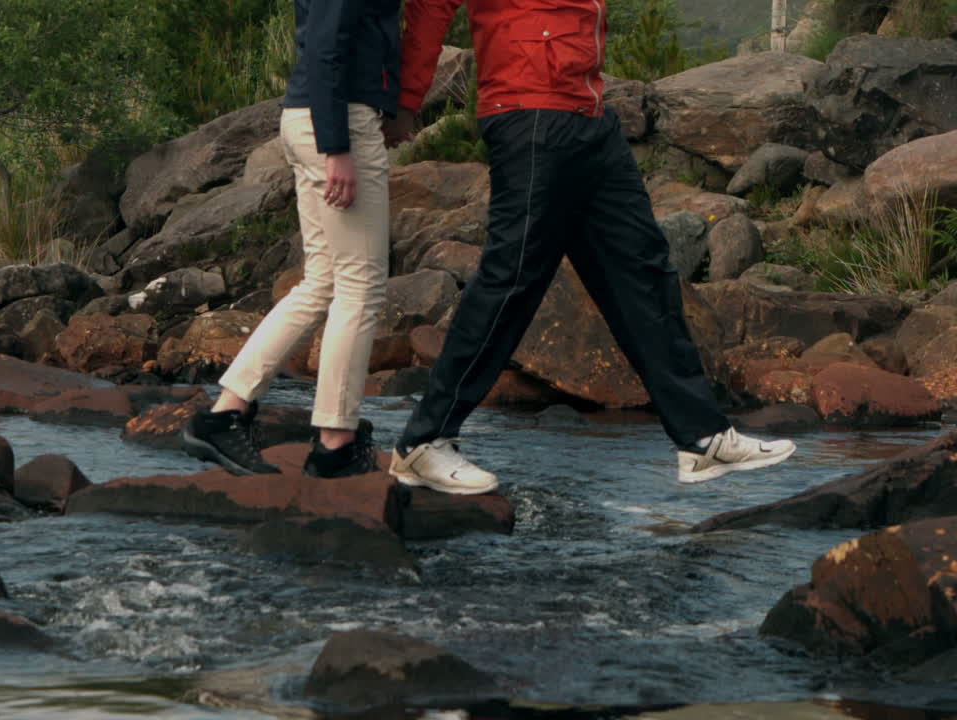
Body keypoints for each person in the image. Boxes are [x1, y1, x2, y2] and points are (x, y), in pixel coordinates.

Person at [382, 0, 796, 493]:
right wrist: (406, 98)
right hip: (528, 112)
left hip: (590, 114)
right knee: (512, 278)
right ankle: (424, 441)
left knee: (644, 275)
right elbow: (431, 6)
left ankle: (702, 438)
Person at [182, 0, 400, 479]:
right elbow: (326, 46)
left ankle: (224, 413)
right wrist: (337, 147)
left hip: (315, 115)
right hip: (337, 120)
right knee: (360, 286)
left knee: (322, 282)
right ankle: (335, 444)